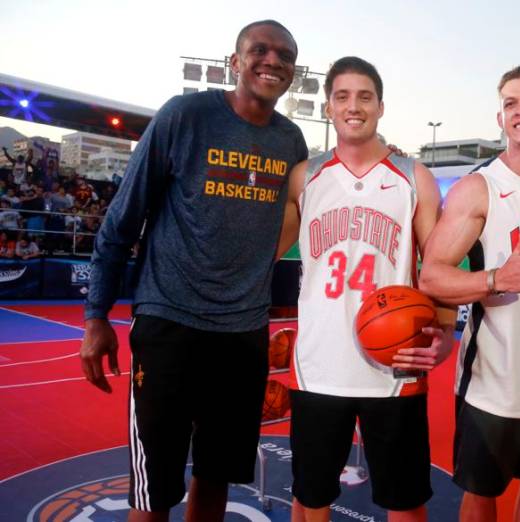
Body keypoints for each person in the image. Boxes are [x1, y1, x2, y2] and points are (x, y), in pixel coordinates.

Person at [80, 20, 308, 521]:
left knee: (216, 476)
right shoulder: (185, 116)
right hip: (169, 322)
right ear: (235, 61)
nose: (272, 61)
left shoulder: (291, 141)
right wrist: (96, 317)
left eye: (285, 55)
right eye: (260, 50)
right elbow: (121, 221)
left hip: (243, 332)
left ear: (294, 70)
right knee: (154, 488)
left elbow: (296, 219)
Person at [276, 56, 454, 522]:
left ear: (380, 106)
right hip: (318, 365)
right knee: (310, 497)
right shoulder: (305, 177)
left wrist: (447, 328)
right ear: (330, 107)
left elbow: (441, 261)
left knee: (406, 499)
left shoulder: (413, 177)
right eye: (342, 96)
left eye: (364, 96)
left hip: (396, 366)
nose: (353, 106)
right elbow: (265, 252)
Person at [419, 66, 520, 522]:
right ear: (500, 118)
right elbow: (431, 277)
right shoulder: (480, 189)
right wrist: (494, 280)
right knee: (481, 494)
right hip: (493, 383)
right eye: (510, 104)